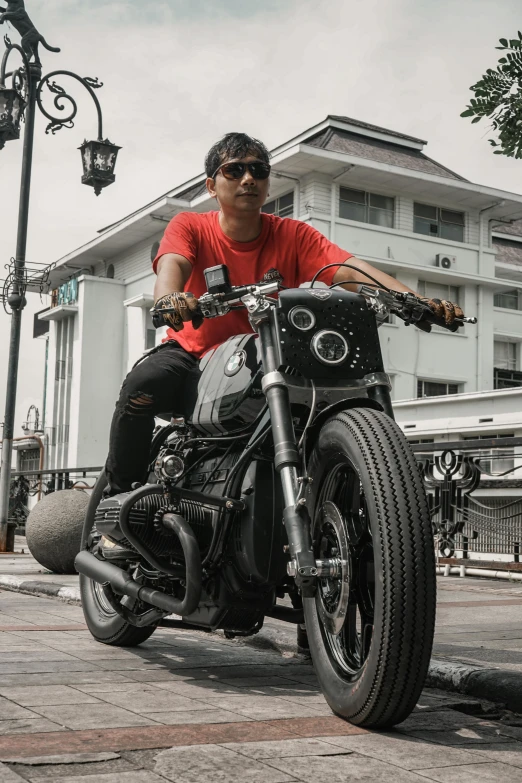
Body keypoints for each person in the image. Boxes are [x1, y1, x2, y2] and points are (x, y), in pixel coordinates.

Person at [104, 132, 463, 498]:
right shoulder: (190, 226)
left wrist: (418, 303)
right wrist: (170, 299)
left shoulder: (294, 235)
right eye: (235, 170)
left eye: (259, 170)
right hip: (194, 353)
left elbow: (349, 270)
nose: (249, 179)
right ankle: (116, 502)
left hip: (268, 355)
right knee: (141, 386)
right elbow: (171, 267)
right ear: (212, 185)